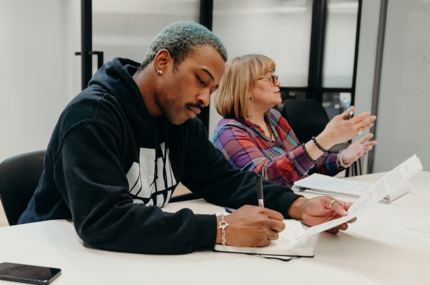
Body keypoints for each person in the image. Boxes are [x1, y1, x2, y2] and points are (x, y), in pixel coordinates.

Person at [19, 22, 355, 255]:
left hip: (118, 255)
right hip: (54, 256)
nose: (205, 100)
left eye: (212, 89)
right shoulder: (92, 117)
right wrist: (219, 229)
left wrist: (299, 205)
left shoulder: (179, 119)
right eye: (201, 80)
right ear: (163, 62)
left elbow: (224, 180)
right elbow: (102, 220)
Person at [212, 54, 377, 188]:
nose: (278, 82)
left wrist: (342, 158)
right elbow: (263, 180)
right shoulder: (229, 131)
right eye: (270, 78)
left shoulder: (274, 118)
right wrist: (325, 139)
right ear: (245, 88)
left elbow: (305, 166)